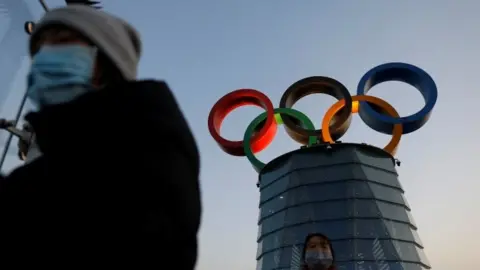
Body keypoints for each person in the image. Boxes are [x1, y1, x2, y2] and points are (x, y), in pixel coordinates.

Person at [0, 4, 201, 268]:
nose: (45, 58)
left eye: (62, 42)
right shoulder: (58, 160)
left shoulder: (149, 152)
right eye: (39, 52)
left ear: (104, 62)